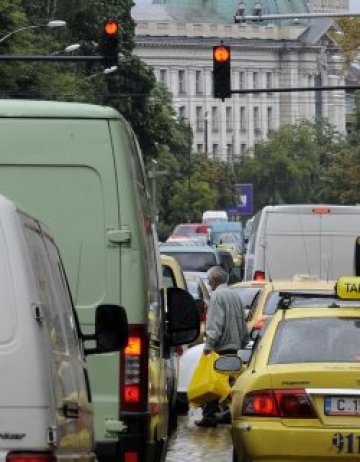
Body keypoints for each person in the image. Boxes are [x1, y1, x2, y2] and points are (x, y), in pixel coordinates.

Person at [195, 266, 249, 427]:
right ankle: (231, 412)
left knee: (214, 382)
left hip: (220, 346)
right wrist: (244, 341)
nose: (209, 282)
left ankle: (209, 416)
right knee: (229, 381)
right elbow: (242, 321)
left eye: (209, 279)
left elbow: (215, 324)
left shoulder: (217, 296)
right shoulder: (235, 295)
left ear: (215, 279)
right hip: (234, 347)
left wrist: (209, 345)